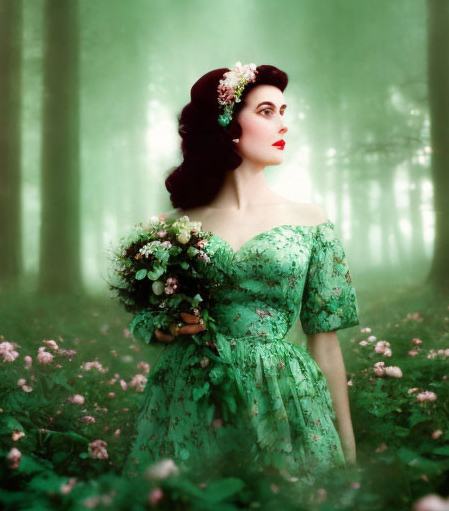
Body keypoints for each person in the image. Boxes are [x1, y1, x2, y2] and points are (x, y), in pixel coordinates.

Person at [125, 62, 360, 482]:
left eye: (283, 112)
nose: (282, 124)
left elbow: (325, 341)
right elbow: (146, 319)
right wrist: (170, 326)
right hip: (192, 391)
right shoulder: (169, 228)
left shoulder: (310, 221)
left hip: (283, 394)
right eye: (267, 111)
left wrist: (348, 452)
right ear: (226, 124)